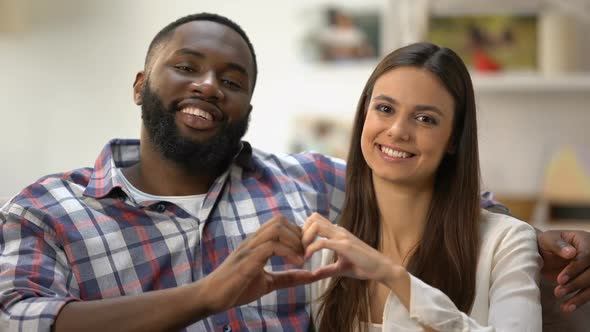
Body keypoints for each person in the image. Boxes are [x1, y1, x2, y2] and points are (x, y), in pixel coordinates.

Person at [0, 12, 589, 332]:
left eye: (232, 81)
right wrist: (207, 296)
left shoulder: (301, 183)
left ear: (246, 111)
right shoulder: (50, 209)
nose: (209, 85)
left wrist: (542, 243)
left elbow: (430, 188)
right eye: (187, 67)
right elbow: (17, 316)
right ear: (139, 85)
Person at [302, 42, 533, 331]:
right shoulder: (324, 253)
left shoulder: (507, 243)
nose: (398, 130)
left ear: (453, 139)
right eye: (385, 108)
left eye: (425, 119)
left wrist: (394, 277)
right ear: (364, 115)